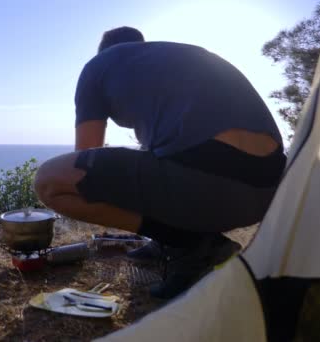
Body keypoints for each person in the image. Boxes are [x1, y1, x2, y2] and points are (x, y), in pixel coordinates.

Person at [34, 26, 286, 299]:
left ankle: (187, 243)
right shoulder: (184, 56)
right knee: (161, 155)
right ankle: (169, 238)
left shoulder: (97, 66)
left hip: (209, 189)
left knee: (49, 181)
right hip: (267, 193)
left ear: (103, 52)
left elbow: (84, 156)